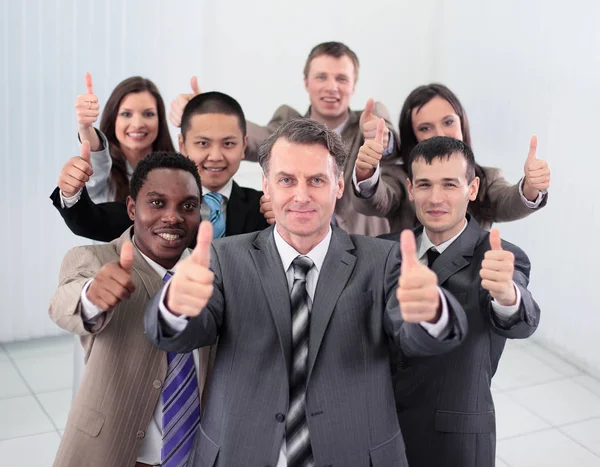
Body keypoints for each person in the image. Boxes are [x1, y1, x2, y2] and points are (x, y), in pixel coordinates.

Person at [144, 118, 468, 467]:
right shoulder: (225, 258)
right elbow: (182, 336)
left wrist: (432, 311)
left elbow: (417, 339)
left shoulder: (382, 260)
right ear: (266, 186)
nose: (301, 195)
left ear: (339, 185)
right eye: (287, 180)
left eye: (316, 180)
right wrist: (175, 307)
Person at [379, 136, 541, 467]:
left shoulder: (500, 256)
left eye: (449, 184)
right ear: (410, 189)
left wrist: (507, 295)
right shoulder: (382, 250)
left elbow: (522, 319)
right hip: (383, 433)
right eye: (424, 184)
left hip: (456, 442)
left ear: (473, 188)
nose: (435, 198)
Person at [49, 152, 207, 467]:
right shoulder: (93, 260)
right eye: (158, 203)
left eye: (187, 206)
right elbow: (62, 305)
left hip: (198, 454)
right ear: (132, 208)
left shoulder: (214, 271)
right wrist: (92, 295)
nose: (173, 217)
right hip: (113, 452)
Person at [169, 42, 402, 236]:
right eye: (322, 77)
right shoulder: (287, 123)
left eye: (341, 79)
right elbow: (252, 138)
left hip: (359, 244)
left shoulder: (370, 120)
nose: (332, 87)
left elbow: (389, 146)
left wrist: (383, 140)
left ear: (353, 85)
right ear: (306, 82)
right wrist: (204, 114)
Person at [51, 91, 268, 243]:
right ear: (182, 145)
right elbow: (93, 222)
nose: (215, 156)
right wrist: (71, 193)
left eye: (228, 144)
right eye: (203, 143)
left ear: (243, 146)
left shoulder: (266, 209)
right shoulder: (155, 203)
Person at [352, 83, 551, 231]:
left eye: (448, 122)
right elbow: (378, 198)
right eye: (425, 128)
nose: (440, 133)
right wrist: (365, 171)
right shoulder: (398, 179)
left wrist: (531, 187)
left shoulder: (486, 179)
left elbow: (509, 201)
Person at [60, 73, 174, 204]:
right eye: (126, 114)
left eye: (148, 114)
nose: (137, 124)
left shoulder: (176, 170)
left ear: (160, 120)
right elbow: (97, 160)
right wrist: (85, 128)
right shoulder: (105, 174)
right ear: (113, 119)